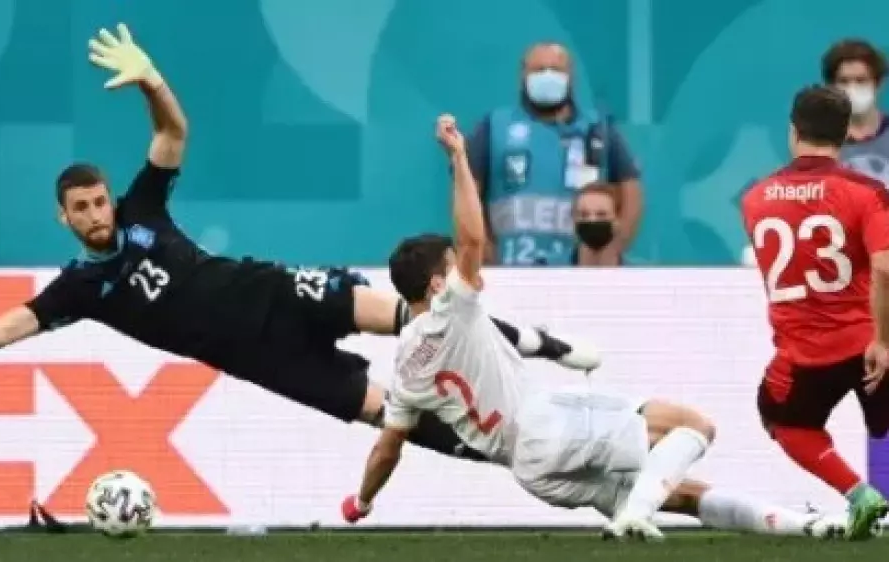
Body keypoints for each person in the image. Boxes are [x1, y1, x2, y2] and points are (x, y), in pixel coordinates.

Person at [0, 25, 594, 466]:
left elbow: (173, 133)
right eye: (83, 209)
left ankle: (543, 344)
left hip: (275, 292)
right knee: (389, 414)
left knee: (420, 317)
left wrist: (151, 82)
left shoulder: (141, 207)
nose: (98, 214)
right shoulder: (81, 288)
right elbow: (2, 330)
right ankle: (508, 455)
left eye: (100, 201)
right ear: (64, 218)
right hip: (260, 358)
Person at [339, 114, 847, 542]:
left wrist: (361, 501)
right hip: (543, 427)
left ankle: (807, 526)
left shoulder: (407, 363)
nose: (463, 270)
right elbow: (472, 238)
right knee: (695, 426)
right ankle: (635, 517)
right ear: (436, 284)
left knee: (680, 493)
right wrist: (458, 158)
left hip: (530, 472)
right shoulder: (451, 309)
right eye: (451, 267)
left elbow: (388, 448)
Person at [742, 84, 889, 540]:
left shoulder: (756, 198)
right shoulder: (867, 192)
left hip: (803, 354)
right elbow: (885, 267)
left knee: (783, 420)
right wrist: (883, 340)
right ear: (844, 134)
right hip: (866, 342)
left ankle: (859, 494)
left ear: (793, 132)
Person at [466, 42, 642, 266]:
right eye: (539, 69)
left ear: (571, 77)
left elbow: (632, 192)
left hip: (580, 272)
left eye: (556, 70)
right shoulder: (495, 126)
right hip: (511, 269)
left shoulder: (598, 129)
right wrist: (485, 253)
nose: (547, 76)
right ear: (523, 75)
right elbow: (467, 192)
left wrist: (611, 252)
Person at [822, 39, 889, 185]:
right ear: (831, 88)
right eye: (844, 81)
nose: (852, 89)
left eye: (861, 80)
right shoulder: (818, 141)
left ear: (878, 84)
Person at [570, 183, 628, 266]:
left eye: (601, 215)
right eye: (584, 215)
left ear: (617, 220)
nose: (592, 220)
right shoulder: (552, 268)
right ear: (574, 220)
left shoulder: (641, 272)